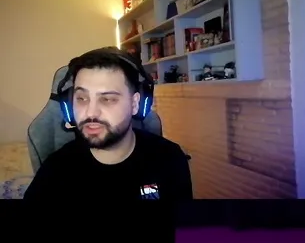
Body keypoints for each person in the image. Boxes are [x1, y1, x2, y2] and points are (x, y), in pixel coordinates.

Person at [24, 48, 192, 201]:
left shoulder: (169, 159)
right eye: (81, 98)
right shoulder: (55, 171)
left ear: (135, 104)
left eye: (107, 99)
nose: (91, 113)